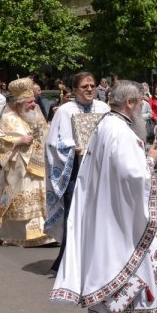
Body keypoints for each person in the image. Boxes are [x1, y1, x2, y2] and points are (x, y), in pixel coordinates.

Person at [51, 81, 157, 313]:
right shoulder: (119, 131)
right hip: (123, 220)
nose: (142, 106)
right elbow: (133, 175)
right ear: (129, 103)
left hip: (109, 214)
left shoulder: (106, 125)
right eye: (140, 101)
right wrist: (151, 159)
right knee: (138, 269)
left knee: (112, 268)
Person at [44, 71, 108, 267]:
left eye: (92, 85)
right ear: (74, 90)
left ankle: (97, 261)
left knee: (100, 216)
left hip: (99, 171)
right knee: (73, 215)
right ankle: (67, 263)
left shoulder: (103, 108)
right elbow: (53, 142)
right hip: (74, 171)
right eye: (84, 86)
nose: (89, 89)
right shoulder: (65, 111)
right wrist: (73, 149)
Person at [0, 78, 56, 247]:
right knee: (22, 198)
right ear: (19, 104)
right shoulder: (8, 117)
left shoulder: (36, 114)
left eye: (34, 101)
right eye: (30, 102)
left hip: (39, 162)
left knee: (41, 198)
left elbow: (45, 133)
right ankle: (19, 236)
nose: (34, 105)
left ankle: (44, 234)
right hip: (19, 167)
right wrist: (18, 140)